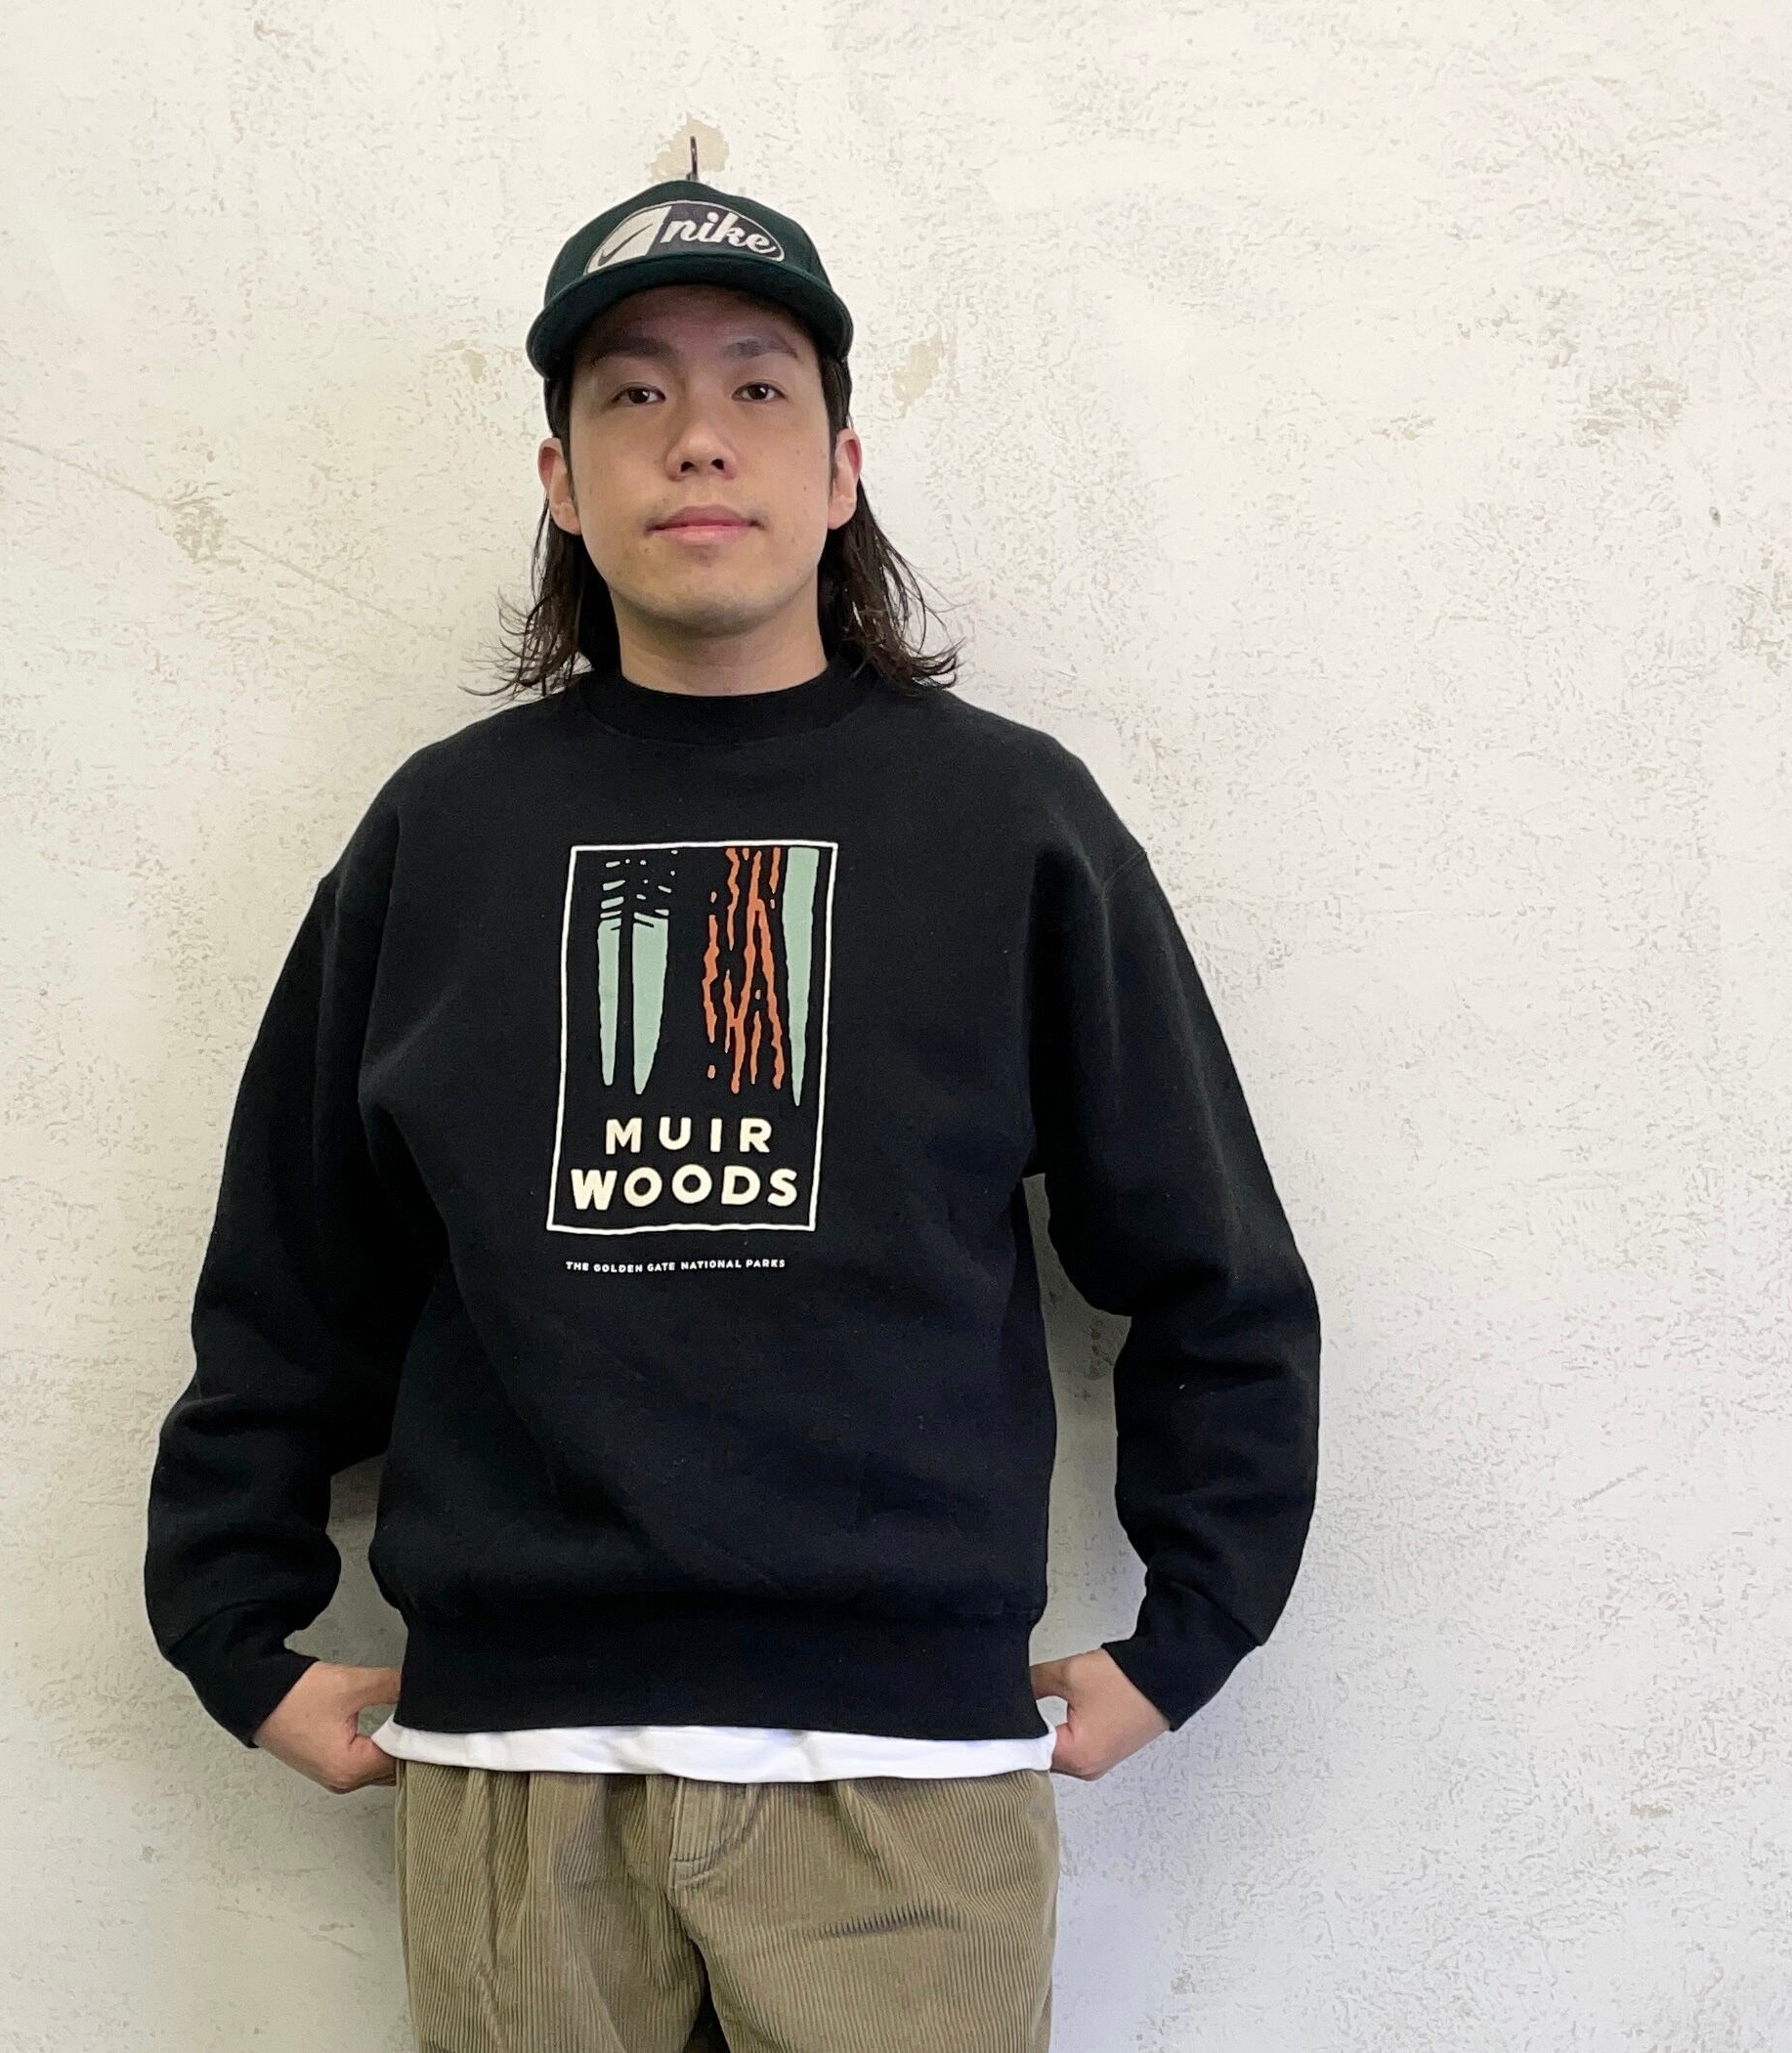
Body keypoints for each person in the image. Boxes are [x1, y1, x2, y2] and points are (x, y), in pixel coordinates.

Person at [144, 165, 1320, 2053]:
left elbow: (1208, 1258)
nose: (697, 436)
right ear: (561, 480)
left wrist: (1193, 1624)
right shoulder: (442, 832)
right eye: (633, 391)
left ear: (841, 467)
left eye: (757, 386)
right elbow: (292, 1263)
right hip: (519, 1772)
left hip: (905, 1777)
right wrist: (232, 1622)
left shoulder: (1009, 821)